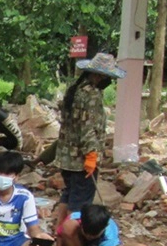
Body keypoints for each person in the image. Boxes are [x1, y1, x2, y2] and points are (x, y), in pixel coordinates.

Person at [53, 52, 124, 227]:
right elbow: (87, 128)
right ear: (99, 76)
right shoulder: (92, 94)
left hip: (66, 157)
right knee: (79, 204)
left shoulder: (75, 89)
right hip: (81, 159)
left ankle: (59, 234)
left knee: (69, 195)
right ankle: (71, 236)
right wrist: (91, 155)